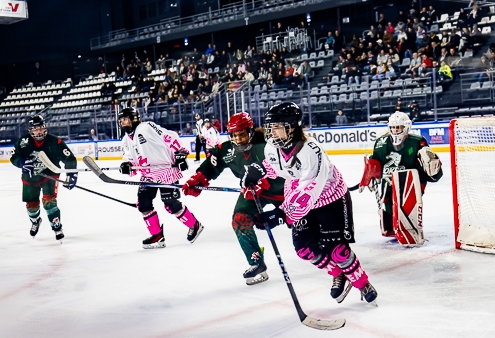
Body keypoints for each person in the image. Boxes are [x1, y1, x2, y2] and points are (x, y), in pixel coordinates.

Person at [239, 102, 378, 304]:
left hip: (330, 197)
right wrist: (257, 173)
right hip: (299, 198)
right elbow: (273, 165)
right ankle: (338, 273)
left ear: (292, 126)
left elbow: (310, 189)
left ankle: (362, 283)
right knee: (305, 249)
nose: (271, 132)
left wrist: (281, 214)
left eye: (277, 126)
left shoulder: (311, 150)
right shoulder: (272, 147)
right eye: (271, 127)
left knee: (338, 251)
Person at [182, 112, 285, 285]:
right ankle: (256, 262)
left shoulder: (267, 145)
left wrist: (264, 181)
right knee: (240, 219)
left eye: (242, 134)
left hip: (282, 191)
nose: (238, 139)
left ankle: (329, 249)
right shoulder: (226, 150)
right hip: (252, 193)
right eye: (234, 135)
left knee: (303, 220)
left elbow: (284, 169)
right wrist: (197, 180)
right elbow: (210, 166)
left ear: (250, 131)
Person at [118, 107, 203, 249]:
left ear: (134, 118)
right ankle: (157, 236)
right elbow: (130, 159)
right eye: (121, 121)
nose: (123, 123)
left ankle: (194, 224)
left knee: (170, 204)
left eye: (126, 119)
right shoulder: (126, 140)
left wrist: (180, 153)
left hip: (165, 171)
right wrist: (127, 165)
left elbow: (169, 136)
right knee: (143, 204)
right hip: (148, 175)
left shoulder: (146, 127)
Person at [359, 112, 443, 238]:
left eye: (398, 127)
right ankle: (391, 226)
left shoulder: (417, 142)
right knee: (388, 203)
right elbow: (375, 161)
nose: (395, 130)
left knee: (408, 205)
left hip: (411, 181)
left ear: (406, 127)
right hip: (388, 181)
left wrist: (433, 171)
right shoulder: (381, 142)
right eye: (393, 127)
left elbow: (430, 168)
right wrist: (369, 174)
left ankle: (410, 226)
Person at [10, 115, 77, 242]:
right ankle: (35, 221)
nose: (39, 131)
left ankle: (57, 227)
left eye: (41, 128)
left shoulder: (55, 142)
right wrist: (21, 162)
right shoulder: (23, 142)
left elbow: (70, 159)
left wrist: (71, 175)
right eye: (35, 129)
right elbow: (14, 157)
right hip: (29, 178)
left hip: (50, 176)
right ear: (30, 130)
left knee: (49, 202)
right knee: (31, 206)